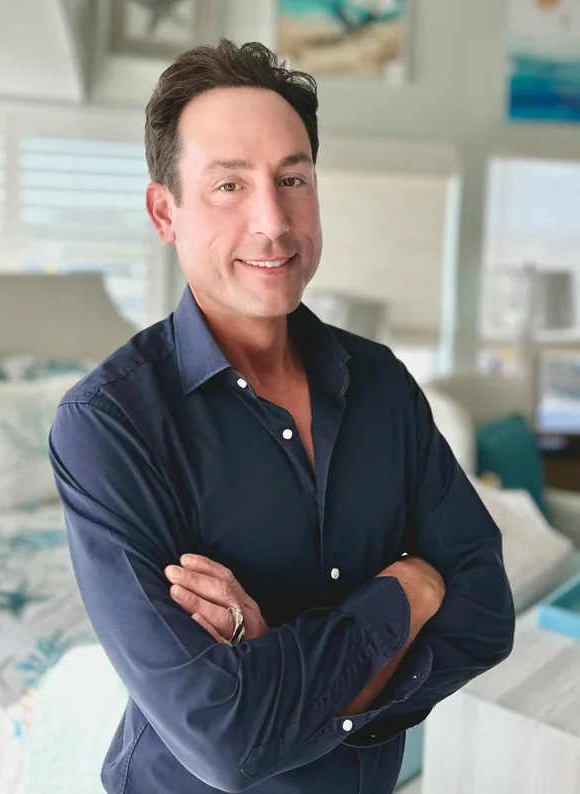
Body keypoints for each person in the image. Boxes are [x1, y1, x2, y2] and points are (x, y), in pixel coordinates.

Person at [49, 39, 515, 794]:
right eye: (228, 185)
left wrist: (279, 671)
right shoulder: (107, 425)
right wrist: (406, 595)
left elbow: (487, 613)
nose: (273, 220)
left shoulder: (382, 384)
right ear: (164, 211)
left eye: (291, 177)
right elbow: (227, 740)